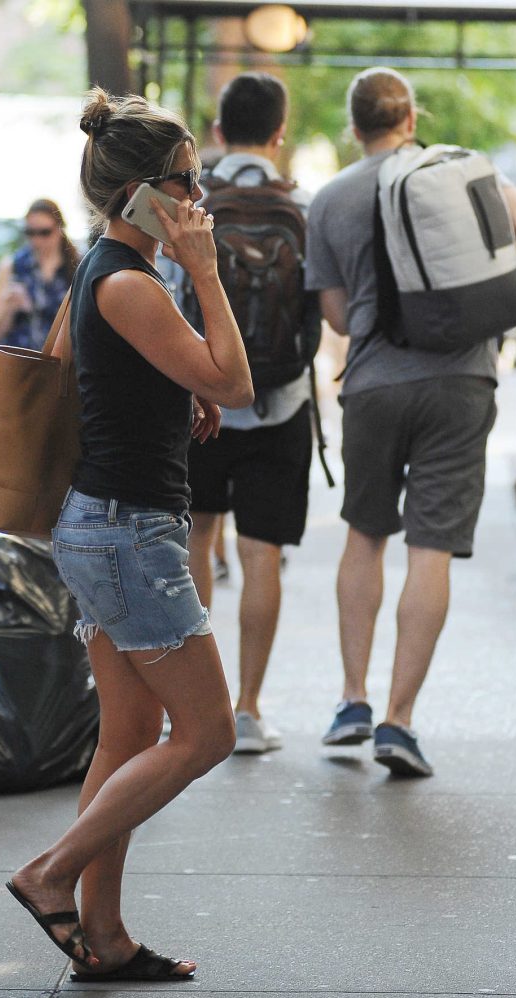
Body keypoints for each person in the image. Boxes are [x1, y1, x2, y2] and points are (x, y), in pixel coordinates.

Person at [5, 88, 253, 981]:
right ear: (145, 191)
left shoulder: (104, 270)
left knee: (126, 736)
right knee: (207, 733)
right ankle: (49, 874)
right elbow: (234, 381)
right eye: (188, 182)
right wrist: (210, 274)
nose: (200, 200)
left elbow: (80, 370)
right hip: (127, 533)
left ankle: (103, 940)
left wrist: (163, 388)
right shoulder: (129, 280)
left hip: (104, 524)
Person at [306, 67, 516, 777]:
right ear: (412, 115)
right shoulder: (459, 172)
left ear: (354, 124)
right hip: (462, 380)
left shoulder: (332, 197)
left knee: (365, 533)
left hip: (374, 383)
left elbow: (337, 316)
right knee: (430, 549)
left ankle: (352, 699)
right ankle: (399, 722)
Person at [185, 73, 314, 754]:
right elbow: (322, 310)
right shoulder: (302, 209)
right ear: (278, 132)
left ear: (216, 131)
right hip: (280, 404)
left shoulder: (195, 204)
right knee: (261, 553)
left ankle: (193, 705)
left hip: (199, 401)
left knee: (197, 541)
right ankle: (247, 711)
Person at [0, 198, 79, 350]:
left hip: (59, 363)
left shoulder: (76, 266)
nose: (37, 240)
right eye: (30, 232)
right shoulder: (13, 266)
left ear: (60, 229)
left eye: (45, 232)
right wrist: (9, 307)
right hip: (17, 360)